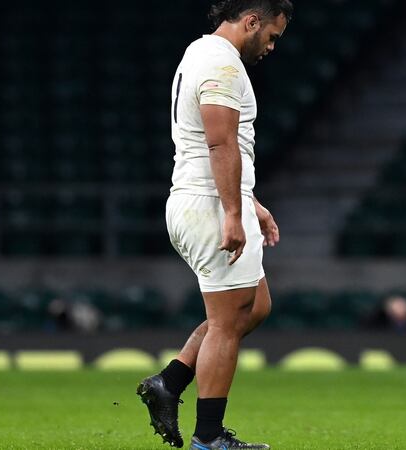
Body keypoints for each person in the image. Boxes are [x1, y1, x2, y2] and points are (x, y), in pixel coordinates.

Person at [136, 1, 292, 448]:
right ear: (252, 21)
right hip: (207, 204)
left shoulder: (199, 53)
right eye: (272, 35)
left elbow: (222, 146)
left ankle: (169, 383)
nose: (271, 46)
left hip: (206, 197)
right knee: (226, 322)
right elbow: (220, 143)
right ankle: (209, 439)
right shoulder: (222, 64)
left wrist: (250, 203)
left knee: (253, 307)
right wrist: (230, 212)